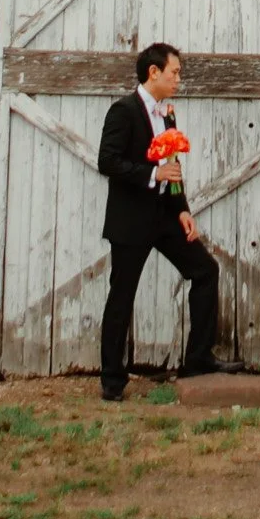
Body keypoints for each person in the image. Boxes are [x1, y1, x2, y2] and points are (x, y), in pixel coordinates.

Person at [96, 41, 220, 400]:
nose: (178, 79)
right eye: (174, 72)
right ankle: (112, 382)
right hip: (131, 221)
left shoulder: (167, 115)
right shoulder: (122, 111)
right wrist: (153, 174)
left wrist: (182, 209)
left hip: (165, 217)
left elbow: (174, 168)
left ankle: (198, 359)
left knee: (205, 271)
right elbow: (108, 161)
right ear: (154, 72)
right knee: (122, 297)